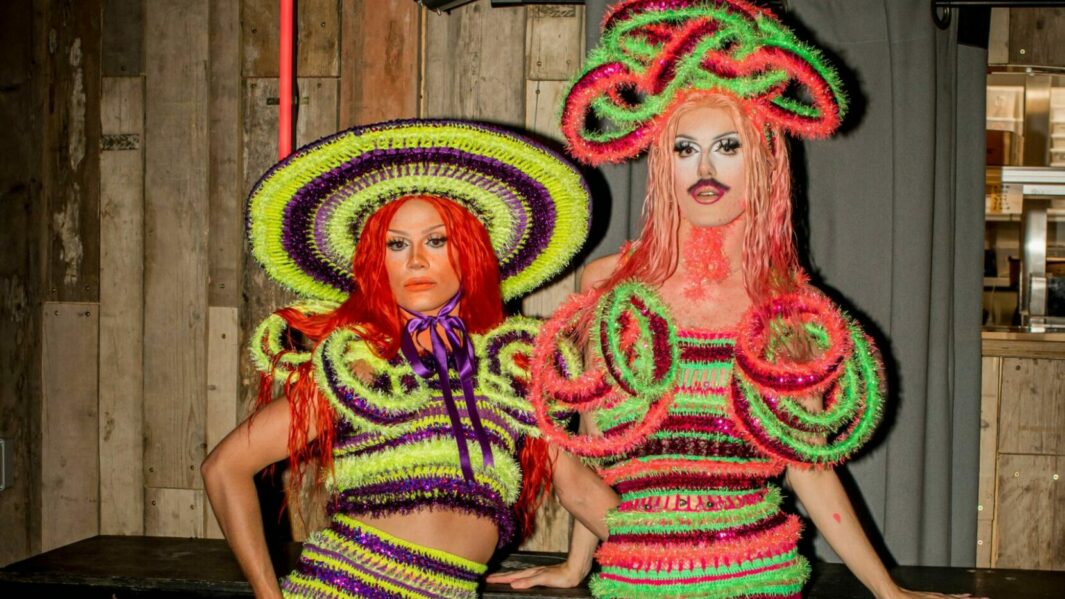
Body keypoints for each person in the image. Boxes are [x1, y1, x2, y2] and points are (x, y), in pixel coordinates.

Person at [489, 2, 978, 598]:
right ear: (662, 164)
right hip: (638, 578)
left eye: (727, 145)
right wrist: (576, 566)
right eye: (684, 149)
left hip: (759, 577)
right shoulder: (606, 284)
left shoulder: (789, 307)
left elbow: (809, 467)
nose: (705, 168)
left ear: (764, 161)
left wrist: (887, 590)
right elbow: (595, 445)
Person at [202, 119, 615, 598]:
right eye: (396, 245)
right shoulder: (357, 367)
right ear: (377, 262)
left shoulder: (512, 369)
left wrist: (676, 560)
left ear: (471, 252)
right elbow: (224, 466)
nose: (416, 260)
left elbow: (579, 490)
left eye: (436, 241)